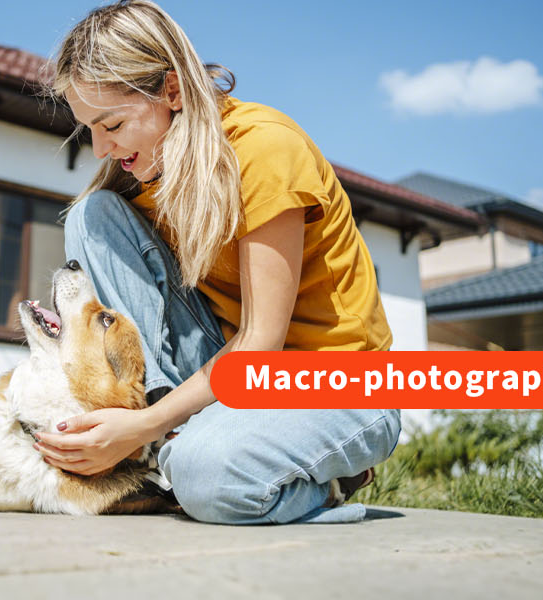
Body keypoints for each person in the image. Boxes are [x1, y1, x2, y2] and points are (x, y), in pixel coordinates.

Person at [32, 0, 401, 524]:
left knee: (207, 477)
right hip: (233, 382)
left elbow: (260, 344)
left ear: (173, 91)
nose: (98, 148)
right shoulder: (147, 175)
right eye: (88, 127)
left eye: (111, 123)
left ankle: (314, 479)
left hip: (337, 383)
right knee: (91, 215)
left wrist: (146, 427)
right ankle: (168, 450)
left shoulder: (265, 150)